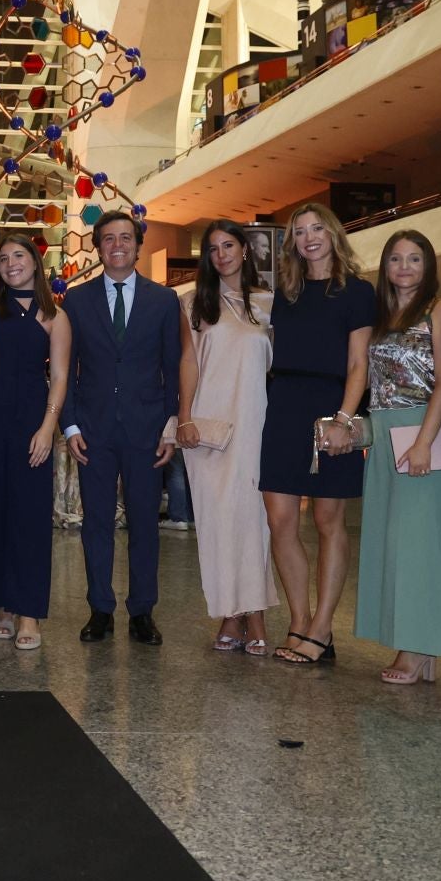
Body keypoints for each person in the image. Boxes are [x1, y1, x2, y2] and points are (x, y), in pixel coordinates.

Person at [259, 202, 374, 666]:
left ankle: (323, 630)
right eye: (300, 231)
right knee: (280, 521)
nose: (309, 238)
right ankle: (300, 620)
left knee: (329, 522)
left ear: (333, 234)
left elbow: (358, 363)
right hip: (284, 407)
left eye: (317, 229)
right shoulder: (282, 293)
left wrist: (344, 420)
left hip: (333, 409)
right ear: (292, 241)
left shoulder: (358, 292)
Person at [61, 211, 182, 646]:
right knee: (96, 522)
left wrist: (170, 427)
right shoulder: (75, 301)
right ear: (97, 246)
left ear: (137, 245)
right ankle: (100, 609)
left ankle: (143, 611)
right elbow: (66, 369)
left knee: (146, 523)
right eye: (108, 239)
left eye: (125, 238)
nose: (117, 245)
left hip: (147, 431)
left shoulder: (164, 301)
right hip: (92, 430)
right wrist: (70, 424)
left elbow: (173, 368)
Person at [354, 229, 441, 685]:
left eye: (414, 259)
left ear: (428, 265)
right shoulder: (379, 315)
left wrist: (424, 442)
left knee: (419, 544)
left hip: (423, 430)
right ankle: (420, 645)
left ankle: (415, 648)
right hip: (383, 430)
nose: (404, 267)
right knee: (389, 540)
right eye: (396, 259)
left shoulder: (440, 310)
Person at [174, 220, 277, 657]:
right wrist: (183, 418)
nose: (222, 254)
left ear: (245, 250)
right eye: (213, 248)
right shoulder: (194, 302)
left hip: (256, 422)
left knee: (254, 517)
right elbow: (189, 363)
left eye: (229, 245)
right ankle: (228, 613)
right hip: (209, 428)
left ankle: (253, 614)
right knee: (217, 523)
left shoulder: (271, 303)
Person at [0, 232, 69, 650]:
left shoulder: (55, 315)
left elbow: (61, 377)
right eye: (4, 257)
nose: (11, 263)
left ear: (35, 262)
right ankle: (1, 606)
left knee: (29, 518)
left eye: (19, 255)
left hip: (32, 421)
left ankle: (29, 611)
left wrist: (48, 427)